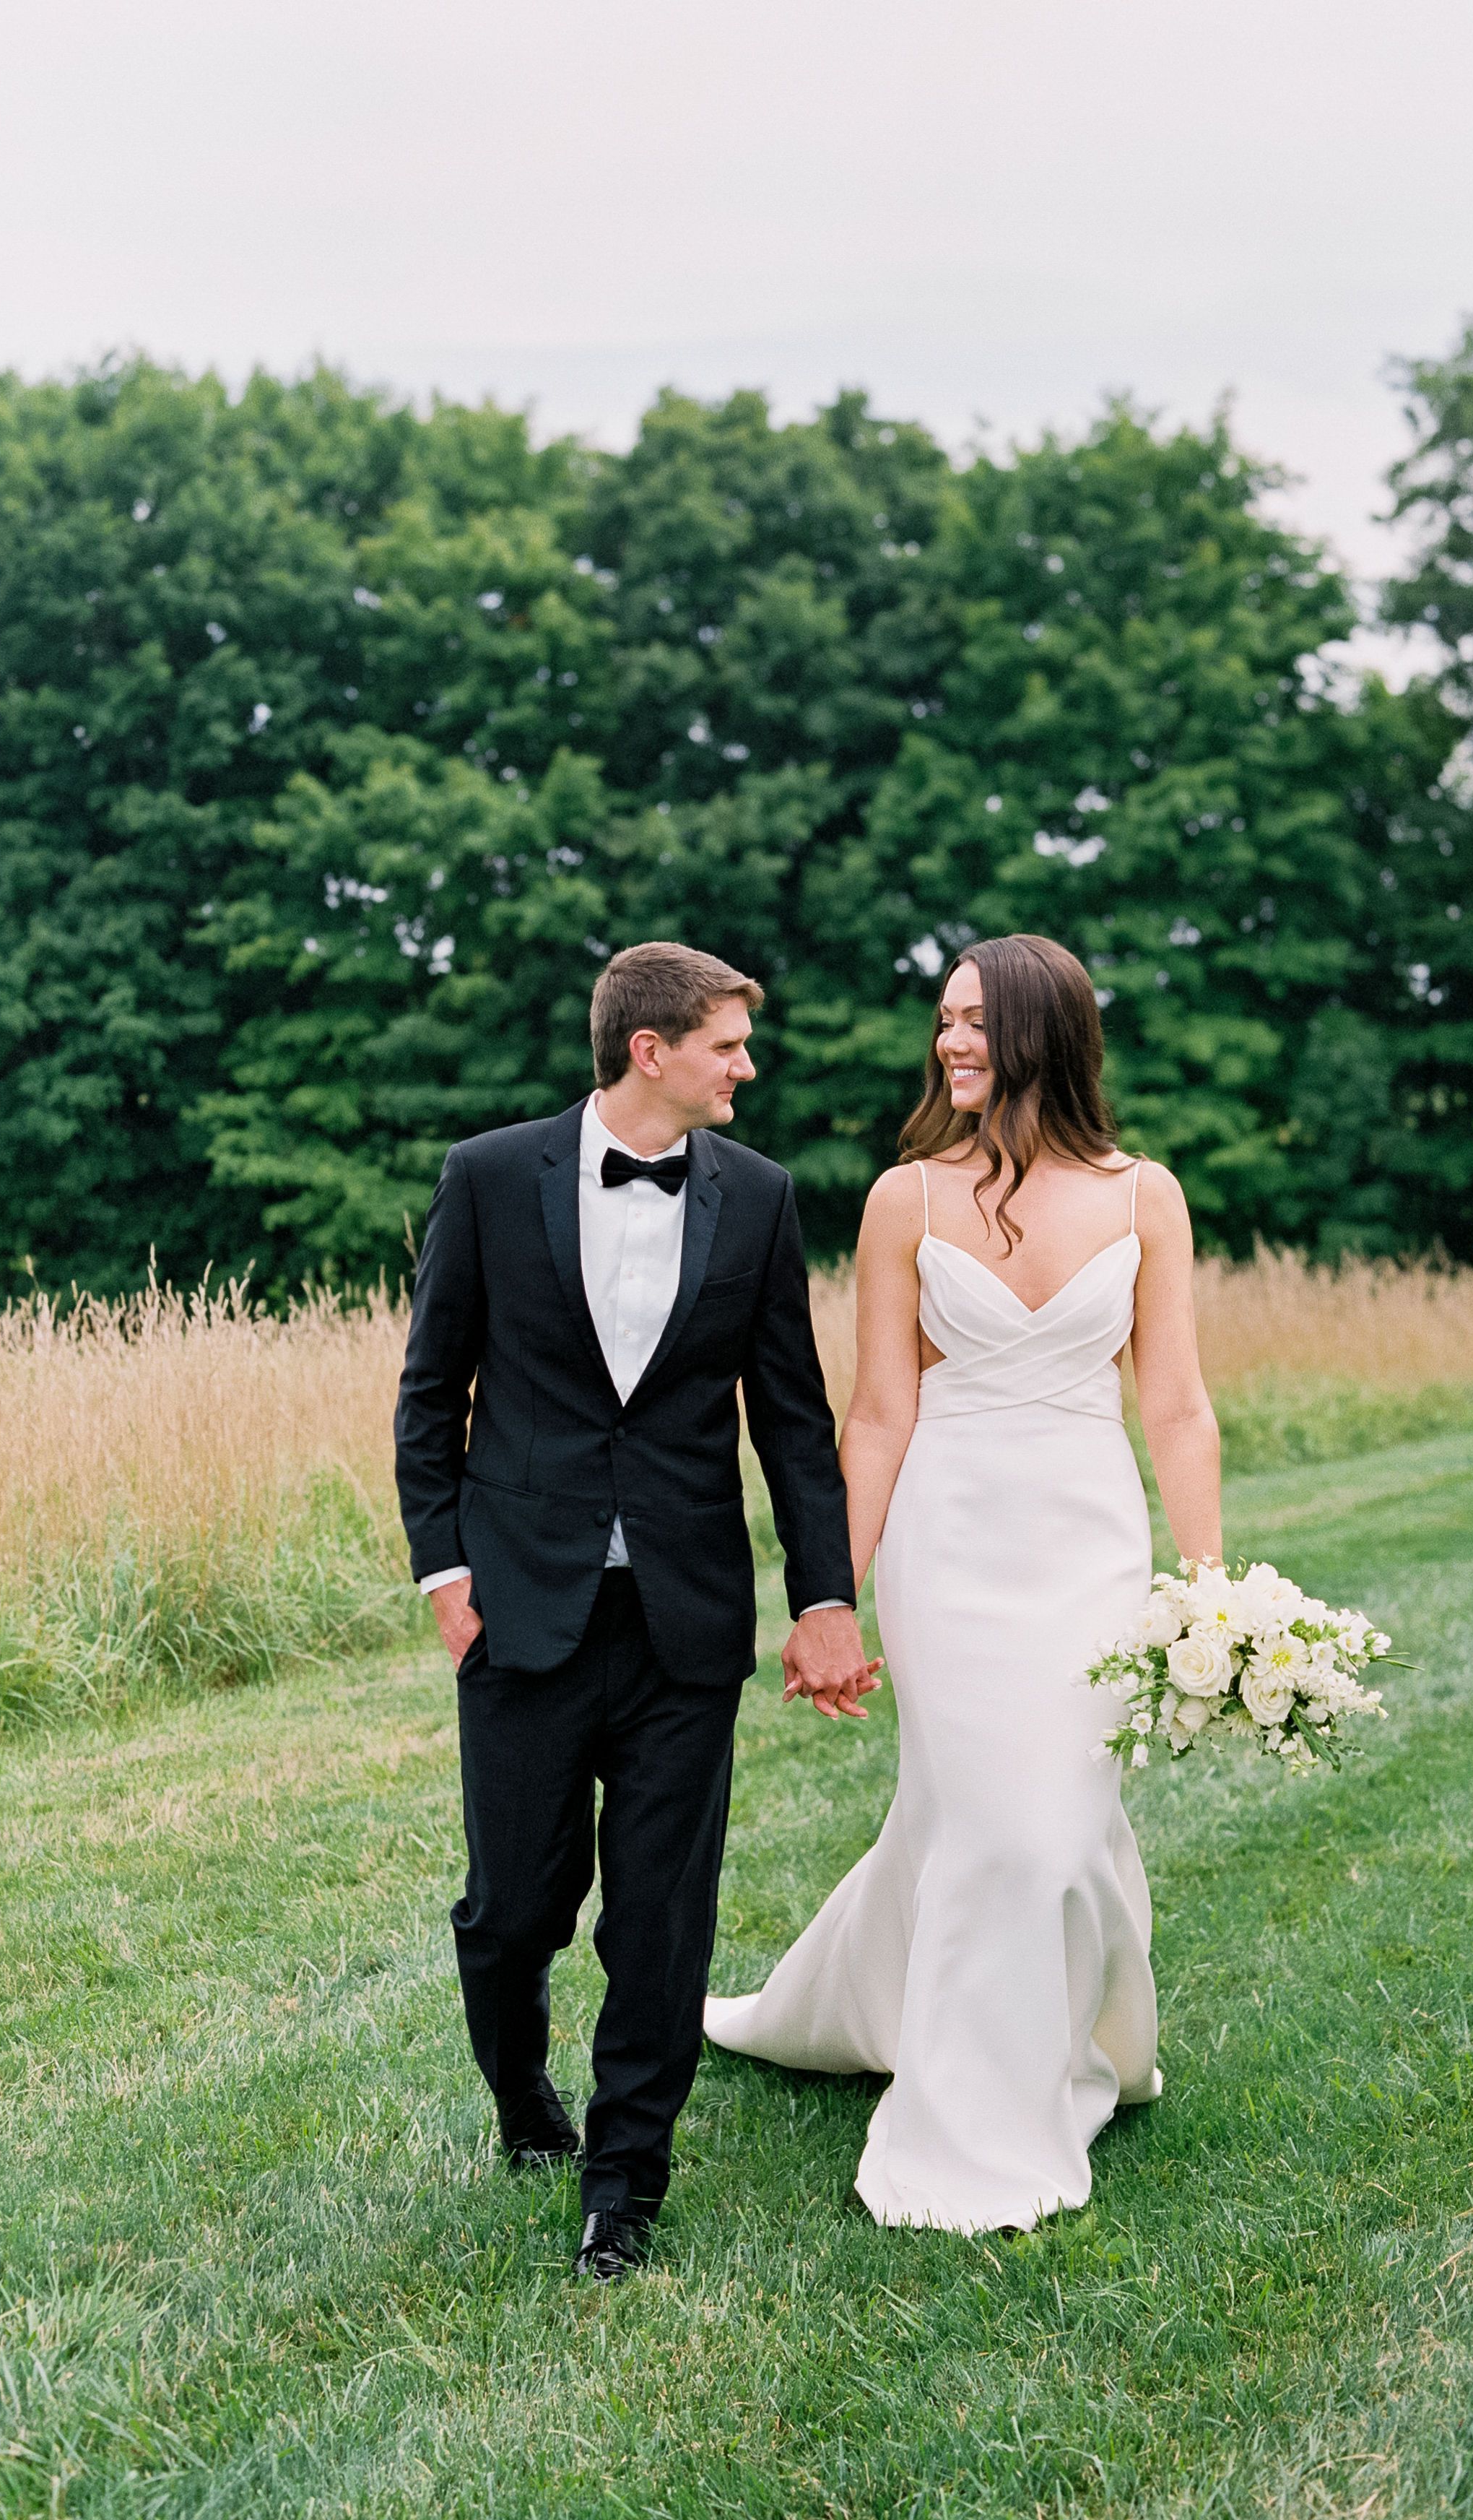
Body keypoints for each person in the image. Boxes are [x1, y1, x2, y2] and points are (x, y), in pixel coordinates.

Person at [705, 933, 1223, 2233]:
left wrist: (1211, 1587)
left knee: (1058, 1823)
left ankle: (1054, 2040)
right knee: (995, 1821)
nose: (949, 1042)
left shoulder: (1145, 1196)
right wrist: (831, 1596)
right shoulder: (906, 1200)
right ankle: (972, 2111)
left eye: (976, 1021)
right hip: (950, 1542)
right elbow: (879, 1415)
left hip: (1088, 1540)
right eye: (943, 1019)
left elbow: (1174, 1404)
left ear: (1045, 1032)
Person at [394, 942, 875, 2283]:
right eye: (728, 1044)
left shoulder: (758, 1197)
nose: (747, 1067)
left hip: (685, 1620)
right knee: (511, 1910)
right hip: (520, 1610)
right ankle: (520, 2097)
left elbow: (792, 1420)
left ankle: (624, 2186)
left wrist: (823, 1596)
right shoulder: (491, 1176)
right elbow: (431, 1391)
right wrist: (445, 1576)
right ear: (649, 1050)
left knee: (659, 1920)